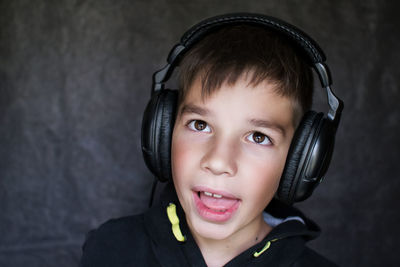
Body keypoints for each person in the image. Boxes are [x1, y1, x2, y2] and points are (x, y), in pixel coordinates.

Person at [80, 13, 343, 267]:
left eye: (258, 137)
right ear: (163, 133)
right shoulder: (110, 248)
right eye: (200, 125)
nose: (218, 162)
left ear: (300, 162)